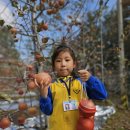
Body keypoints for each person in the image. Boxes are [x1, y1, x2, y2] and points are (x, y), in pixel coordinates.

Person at [39, 45, 107, 130]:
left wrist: (91, 79)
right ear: (53, 66)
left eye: (67, 60)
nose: (63, 64)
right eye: (58, 61)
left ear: (74, 64)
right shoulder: (50, 86)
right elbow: (47, 111)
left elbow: (102, 95)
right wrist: (44, 96)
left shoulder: (82, 83)